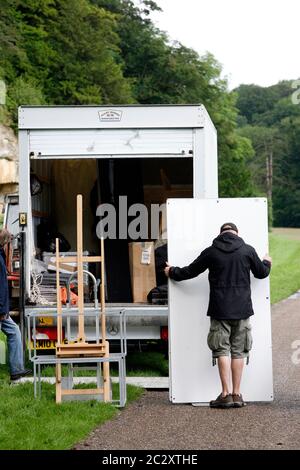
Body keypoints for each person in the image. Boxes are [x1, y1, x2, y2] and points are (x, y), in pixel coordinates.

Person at [164, 222, 272, 409]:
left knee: (221, 349)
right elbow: (262, 273)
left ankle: (225, 394)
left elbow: (190, 271)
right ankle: (237, 394)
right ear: (237, 233)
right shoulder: (247, 250)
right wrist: (267, 261)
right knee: (239, 350)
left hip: (220, 310)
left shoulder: (212, 252)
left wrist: (172, 271)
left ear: (221, 234)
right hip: (242, 310)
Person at [0, 229, 31, 381]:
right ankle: (16, 369)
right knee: (14, 332)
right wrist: (2, 309)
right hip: (0, 309)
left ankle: (17, 370)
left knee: (14, 332)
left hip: (2, 308)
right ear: (5, 242)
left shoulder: (0, 255)